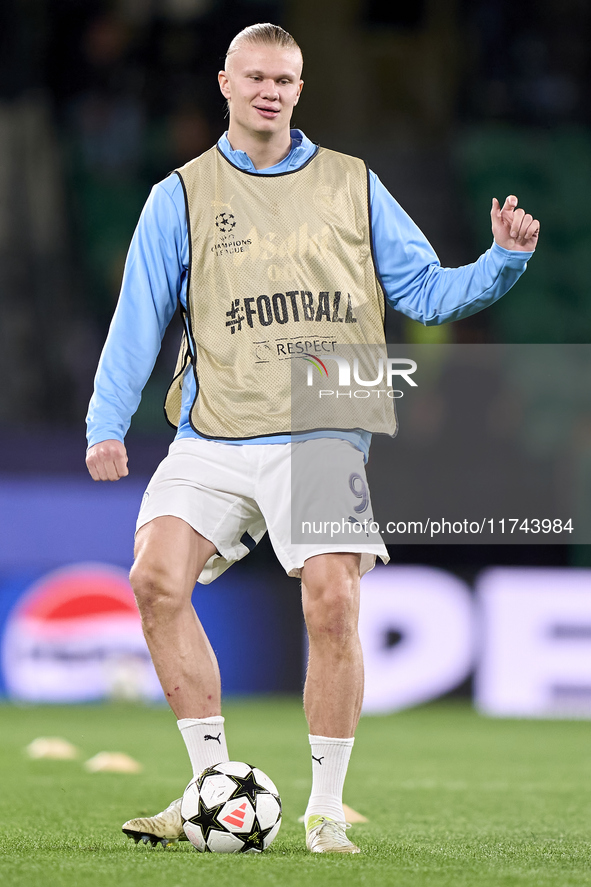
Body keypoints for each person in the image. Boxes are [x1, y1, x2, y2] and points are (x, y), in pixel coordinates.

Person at [85, 23, 539, 854]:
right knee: (154, 581)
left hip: (324, 421)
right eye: (255, 76)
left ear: (300, 88)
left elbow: (429, 294)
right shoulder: (178, 195)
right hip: (214, 428)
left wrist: (501, 261)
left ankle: (325, 813)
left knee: (332, 599)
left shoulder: (353, 183)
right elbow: (138, 319)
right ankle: (209, 787)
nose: (270, 90)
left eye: (285, 79)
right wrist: (104, 422)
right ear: (225, 83)